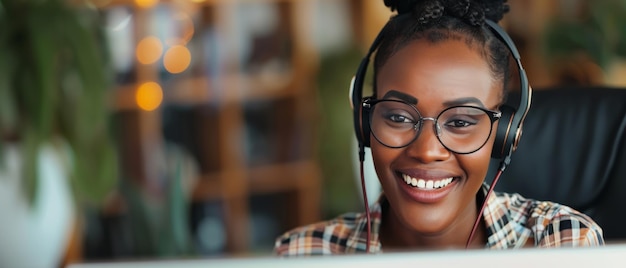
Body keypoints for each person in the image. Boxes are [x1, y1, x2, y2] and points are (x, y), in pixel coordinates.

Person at [274, 0, 604, 255]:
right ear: (364, 122)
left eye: (460, 122)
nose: (427, 151)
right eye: (399, 117)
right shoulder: (305, 254)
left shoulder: (562, 242)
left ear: (504, 135)